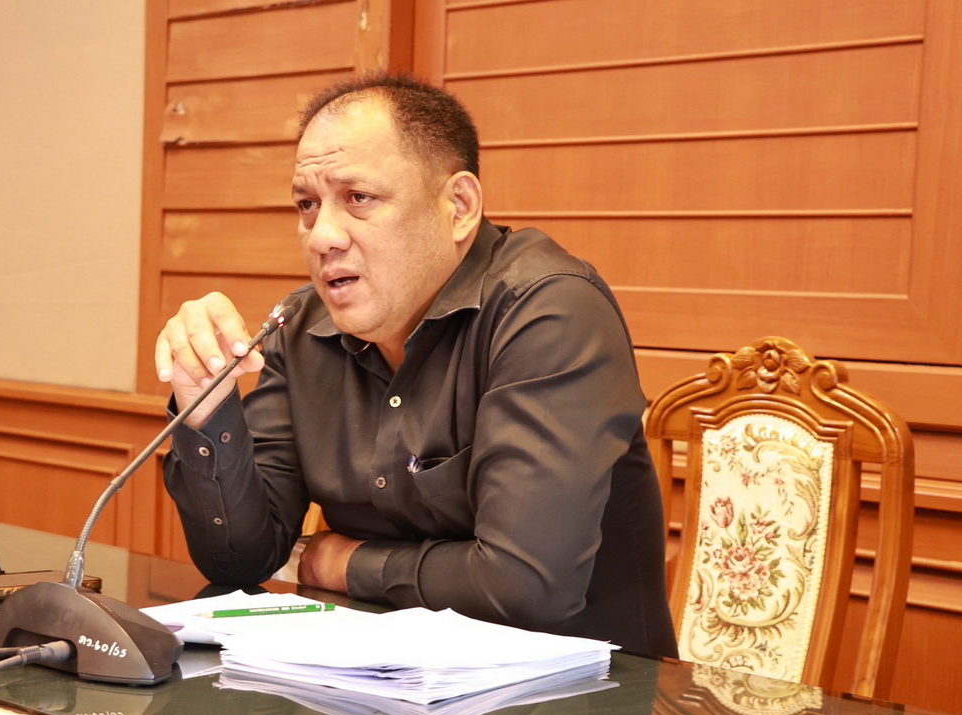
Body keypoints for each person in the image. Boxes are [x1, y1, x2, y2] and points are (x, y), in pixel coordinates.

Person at [156, 73, 677, 658]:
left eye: (359, 198)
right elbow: (239, 560)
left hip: (571, 694)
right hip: (372, 681)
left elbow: (524, 588)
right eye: (307, 204)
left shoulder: (550, 310)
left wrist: (346, 563)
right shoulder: (301, 329)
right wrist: (205, 410)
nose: (322, 236)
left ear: (459, 207)